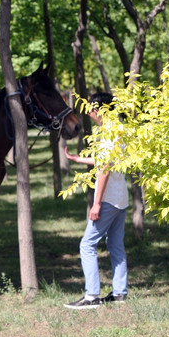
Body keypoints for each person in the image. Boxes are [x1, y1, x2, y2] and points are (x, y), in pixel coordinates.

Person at [64, 92, 129, 310]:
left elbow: (105, 170)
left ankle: (92, 296)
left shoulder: (109, 134)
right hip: (122, 199)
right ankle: (119, 293)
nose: (89, 114)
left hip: (109, 200)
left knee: (87, 245)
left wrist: (97, 203)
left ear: (99, 110)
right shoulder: (117, 130)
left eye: (91, 109)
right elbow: (105, 160)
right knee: (115, 245)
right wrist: (77, 158)